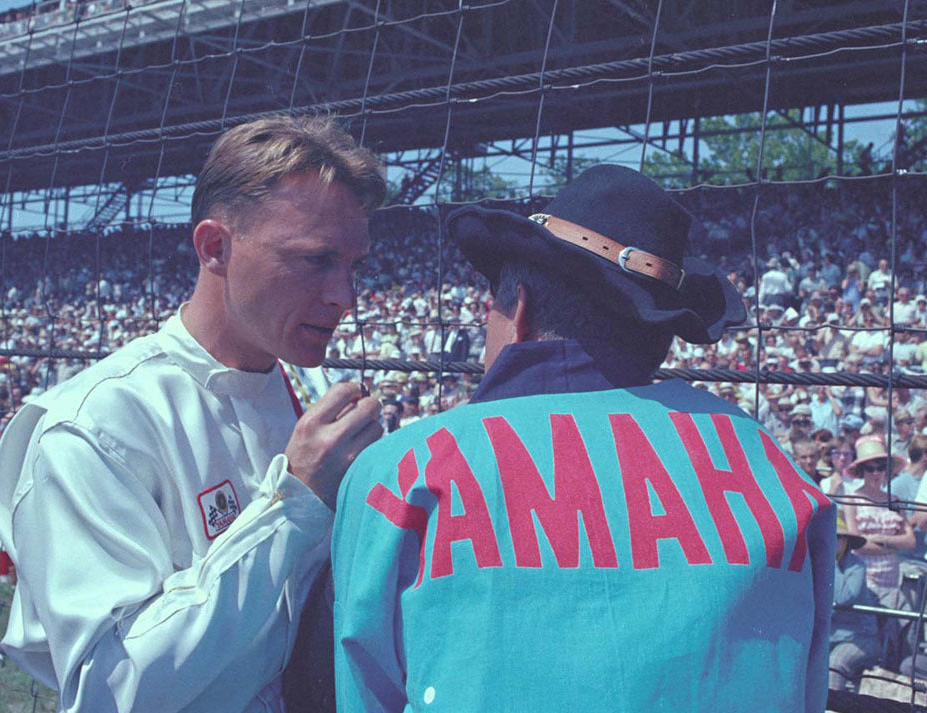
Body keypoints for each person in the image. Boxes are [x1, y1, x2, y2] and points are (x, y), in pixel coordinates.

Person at [332, 165, 836, 712]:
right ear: (659, 330)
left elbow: (363, 694)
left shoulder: (401, 473)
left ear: (517, 311)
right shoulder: (774, 469)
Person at [0, 114, 386, 713]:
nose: (345, 297)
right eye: (315, 260)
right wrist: (293, 506)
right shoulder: (95, 424)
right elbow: (109, 691)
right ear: (215, 248)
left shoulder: (315, 390)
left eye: (354, 265)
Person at [842, 436, 915, 608]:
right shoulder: (852, 499)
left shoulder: (894, 500)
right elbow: (857, 543)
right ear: (861, 471)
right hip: (865, 576)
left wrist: (879, 538)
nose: (876, 473)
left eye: (880, 468)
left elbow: (911, 541)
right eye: (870, 469)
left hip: (892, 577)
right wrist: (895, 544)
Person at [829, 513, 881, 692]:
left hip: (861, 638)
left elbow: (843, 598)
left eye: (837, 537)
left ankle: (832, 709)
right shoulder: (811, 564)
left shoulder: (856, 566)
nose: (831, 541)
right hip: (827, 636)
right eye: (827, 535)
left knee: (836, 663)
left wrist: (829, 563)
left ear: (846, 542)